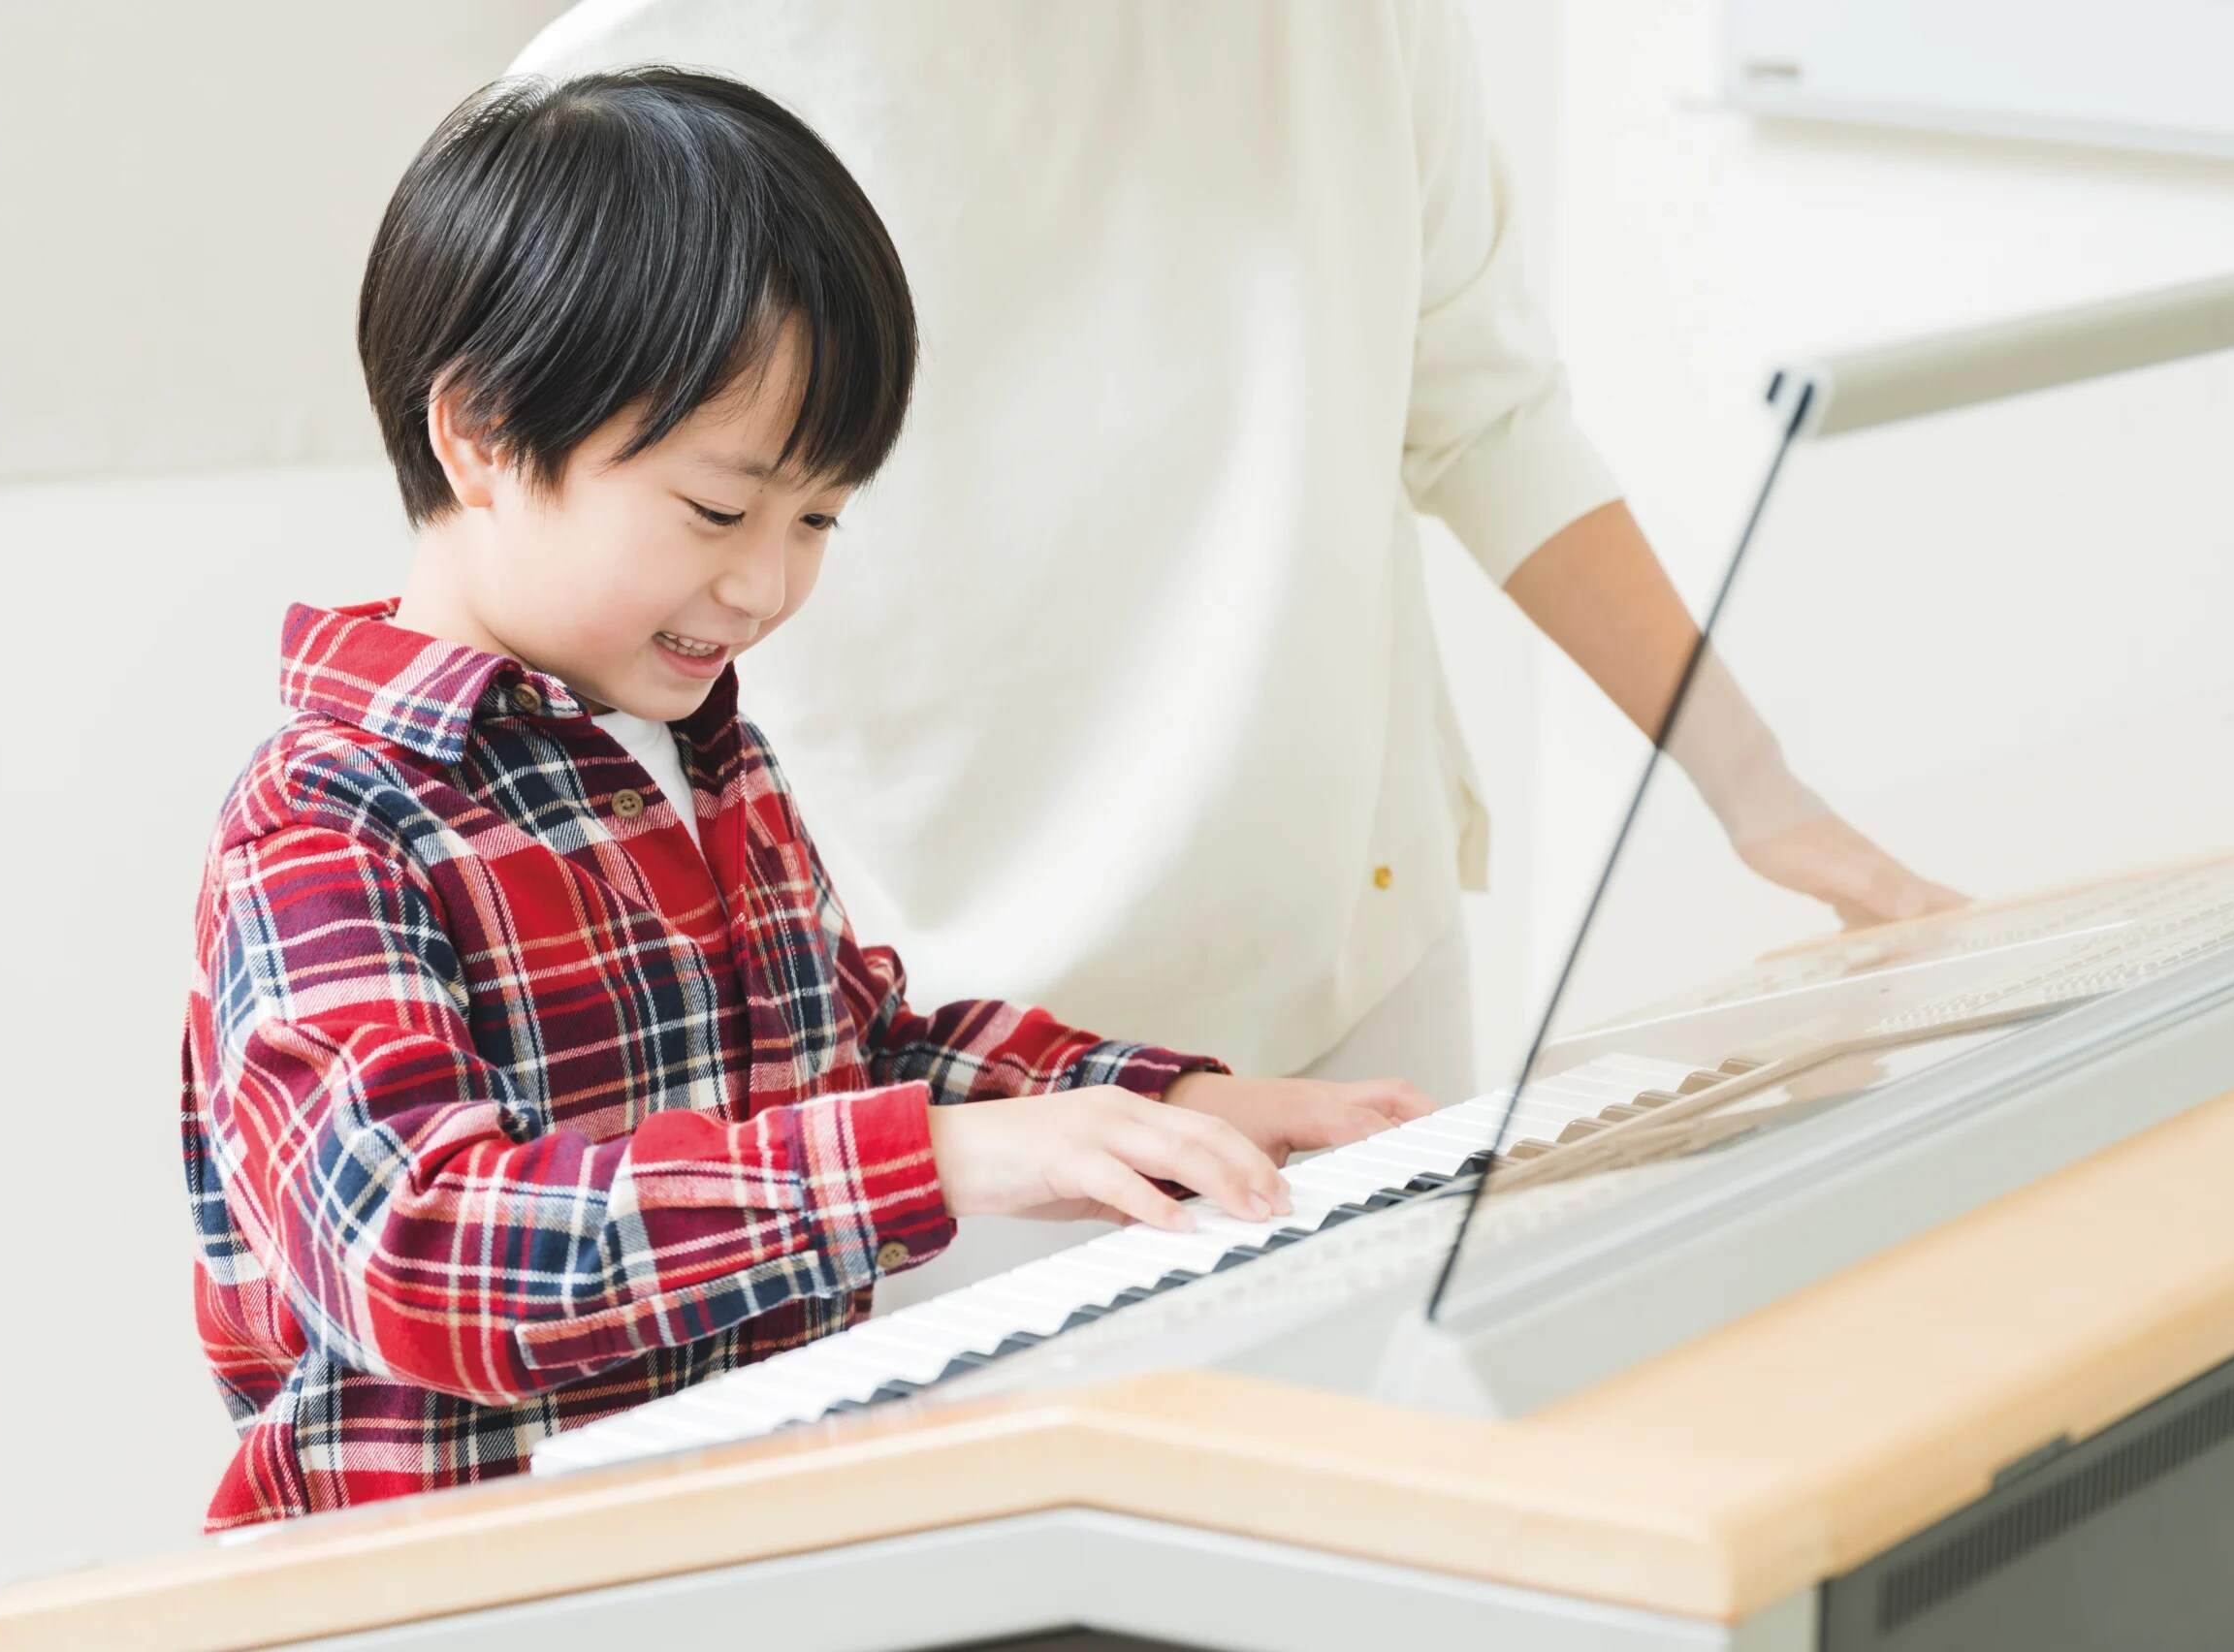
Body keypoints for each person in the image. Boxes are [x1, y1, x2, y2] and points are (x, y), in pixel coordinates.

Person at [178, 68, 1428, 1528]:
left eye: (818, 519)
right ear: (481, 437)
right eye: (719, 511)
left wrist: (1168, 1101)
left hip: (734, 1549)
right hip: (448, 1589)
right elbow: (417, 1247)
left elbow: (859, 1052)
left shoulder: (704, 754)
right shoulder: (330, 816)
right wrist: (942, 1158)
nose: (767, 585)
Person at [507, 3, 1961, 1122]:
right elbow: (552, 627)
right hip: (936, 1053)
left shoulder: (1347, 24)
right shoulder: (633, 89)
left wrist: (1761, 796)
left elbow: (1486, 415)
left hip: (1345, 974)